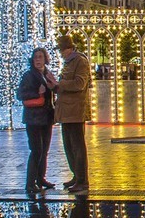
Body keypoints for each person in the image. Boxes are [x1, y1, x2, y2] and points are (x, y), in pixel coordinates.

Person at [54, 34, 92, 193]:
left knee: (77, 146)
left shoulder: (80, 61)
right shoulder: (68, 62)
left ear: (68, 49)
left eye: (61, 50)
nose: (60, 53)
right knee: (68, 146)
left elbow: (80, 83)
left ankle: (82, 180)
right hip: (66, 111)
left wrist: (60, 84)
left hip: (75, 110)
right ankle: (76, 175)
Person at [18, 47, 57, 195]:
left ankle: (40, 178)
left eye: (41, 57)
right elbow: (20, 94)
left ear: (45, 59)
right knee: (36, 150)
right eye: (36, 57)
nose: (38, 60)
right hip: (33, 118)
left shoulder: (47, 74)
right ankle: (30, 183)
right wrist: (37, 93)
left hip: (46, 117)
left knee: (44, 150)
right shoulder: (29, 76)